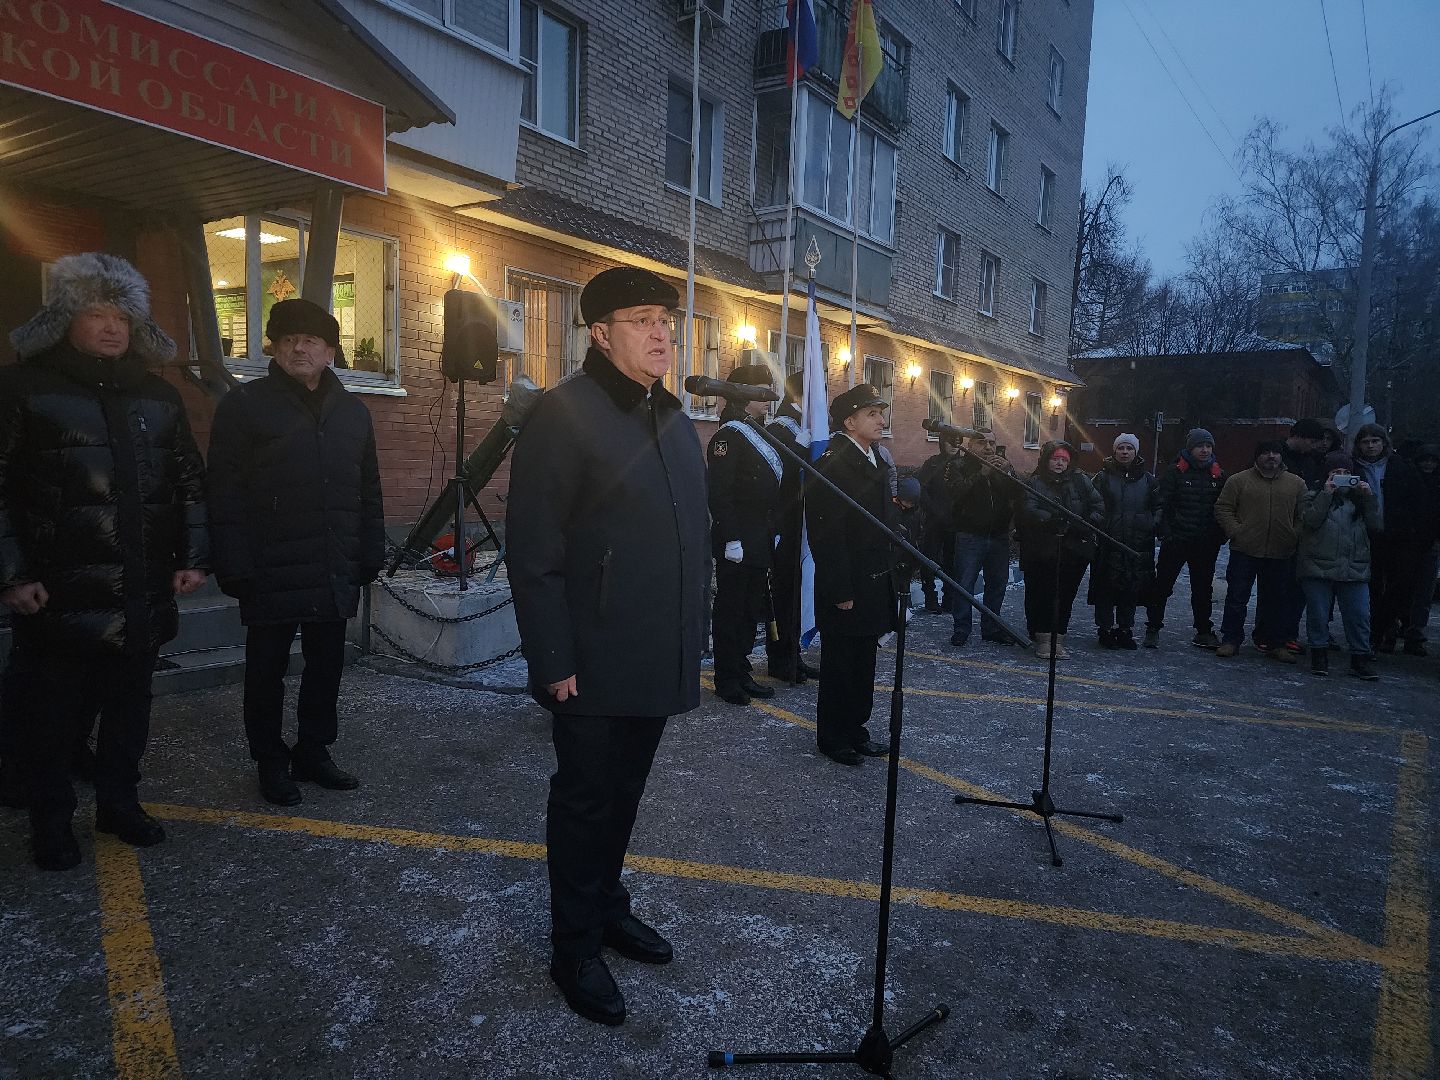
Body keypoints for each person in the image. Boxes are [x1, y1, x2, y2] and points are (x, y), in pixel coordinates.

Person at [504, 266, 708, 1027]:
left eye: (666, 320)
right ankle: (574, 944)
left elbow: (686, 538)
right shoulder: (565, 414)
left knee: (625, 796)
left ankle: (609, 904)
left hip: (655, 650)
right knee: (586, 802)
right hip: (590, 659)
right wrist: (551, 658)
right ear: (599, 332)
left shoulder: (671, 416)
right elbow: (535, 552)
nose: (661, 334)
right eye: (642, 320)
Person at [0, 253, 208, 870]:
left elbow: (187, 483)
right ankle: (51, 822)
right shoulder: (24, 388)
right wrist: (12, 575)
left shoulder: (158, 395)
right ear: (66, 317)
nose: (110, 326)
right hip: (57, 592)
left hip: (142, 589)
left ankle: (120, 805)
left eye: (121, 314)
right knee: (52, 717)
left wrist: (194, 557)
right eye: (96, 312)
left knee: (128, 712)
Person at [207, 298, 385, 807]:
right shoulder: (244, 406)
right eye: (288, 340)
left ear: (330, 351)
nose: (298, 348)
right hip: (271, 565)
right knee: (266, 671)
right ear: (274, 348)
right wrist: (233, 560)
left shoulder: (353, 412)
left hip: (332, 561)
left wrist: (369, 548)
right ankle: (270, 760)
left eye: (310, 340)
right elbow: (223, 489)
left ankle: (313, 750)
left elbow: (367, 488)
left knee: (326, 665)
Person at [806, 384, 897, 767]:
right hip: (848, 583)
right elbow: (827, 533)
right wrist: (840, 588)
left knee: (863, 663)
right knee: (841, 664)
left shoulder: (871, 455)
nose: (881, 419)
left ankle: (856, 729)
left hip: (872, 579)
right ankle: (833, 736)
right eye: (872, 414)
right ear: (849, 420)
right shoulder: (834, 461)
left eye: (881, 412)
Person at [706, 364, 781, 706]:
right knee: (732, 610)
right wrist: (731, 537)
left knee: (751, 608)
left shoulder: (758, 431)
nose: (767, 398)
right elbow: (720, 493)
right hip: (736, 540)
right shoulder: (728, 436)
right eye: (761, 391)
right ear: (743, 394)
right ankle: (726, 677)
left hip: (759, 535)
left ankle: (742, 668)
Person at [1213, 441, 1307, 660]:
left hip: (1281, 551)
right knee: (1237, 598)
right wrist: (1236, 531)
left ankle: (1277, 643)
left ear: (1281, 457)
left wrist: (1294, 534)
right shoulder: (1238, 480)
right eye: (1266, 452)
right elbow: (1223, 507)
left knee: (1278, 600)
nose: (1271, 456)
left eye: (1275, 453)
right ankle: (1231, 640)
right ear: (1257, 456)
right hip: (1245, 550)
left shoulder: (1296, 483)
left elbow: (1303, 514)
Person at [1016, 441, 1104, 660]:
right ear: (1047, 460)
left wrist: (1086, 522)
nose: (1059, 463)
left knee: (1065, 596)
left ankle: (1059, 637)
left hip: (1073, 550)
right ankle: (1043, 637)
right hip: (1043, 550)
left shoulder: (1081, 481)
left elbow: (1098, 506)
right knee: (1043, 594)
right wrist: (1050, 520)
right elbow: (1028, 509)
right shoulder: (1035, 482)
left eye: (1064, 459)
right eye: (1055, 458)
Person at [1296, 452, 1380, 679]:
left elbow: (1376, 526)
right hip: (1317, 565)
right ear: (1326, 475)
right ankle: (1319, 655)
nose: (1341, 478)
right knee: (1318, 614)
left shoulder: (1359, 499)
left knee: (1359, 615)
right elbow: (1311, 521)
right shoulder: (1313, 494)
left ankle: (1360, 657)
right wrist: (1326, 493)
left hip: (1354, 566)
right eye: (1336, 473)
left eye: (1346, 473)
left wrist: (1369, 497)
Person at [1353, 424, 1431, 653]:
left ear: (1383, 443)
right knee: (1372, 586)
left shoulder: (1401, 467)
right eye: (1365, 442)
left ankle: (1382, 627)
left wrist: (1418, 535)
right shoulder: (1352, 467)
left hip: (1400, 536)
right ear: (1359, 445)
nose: (1370, 446)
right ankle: (1373, 634)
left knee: (1402, 584)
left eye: (1374, 441)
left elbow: (1420, 502)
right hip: (1366, 535)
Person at [1147, 428, 1228, 648]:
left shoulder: (1219, 475)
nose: (1204, 450)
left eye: (1208, 446)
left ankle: (1203, 630)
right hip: (1177, 540)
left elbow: (1225, 508)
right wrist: (1166, 533)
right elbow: (1162, 504)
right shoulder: (1175, 472)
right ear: (1190, 448)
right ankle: (1153, 627)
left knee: (1202, 589)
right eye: (1200, 446)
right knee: (1162, 585)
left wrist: (1219, 535)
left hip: (1205, 543)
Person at [765, 371, 821, 684]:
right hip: (786, 522)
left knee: (799, 589)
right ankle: (780, 658)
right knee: (785, 591)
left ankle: (794, 655)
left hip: (802, 520)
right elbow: (782, 476)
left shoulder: (803, 426)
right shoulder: (781, 427)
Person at [943, 430, 1017, 648]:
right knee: (965, 584)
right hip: (970, 535)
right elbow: (955, 493)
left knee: (997, 584)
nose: (988, 447)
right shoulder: (958, 465)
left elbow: (1017, 495)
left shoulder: (1001, 466)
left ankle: (991, 628)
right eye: (981, 442)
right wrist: (981, 473)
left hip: (998, 536)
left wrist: (1008, 473)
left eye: (992, 443)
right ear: (970, 444)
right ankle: (961, 629)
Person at [1088, 434, 1158, 650]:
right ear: (1114, 451)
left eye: (1129, 448)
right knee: (1105, 588)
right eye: (1121, 448)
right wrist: (1101, 525)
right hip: (1108, 543)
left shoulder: (1148, 480)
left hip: (1137, 544)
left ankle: (1125, 629)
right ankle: (1105, 629)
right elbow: (1093, 504)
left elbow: (1159, 507)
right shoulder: (1102, 478)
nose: (1125, 452)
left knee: (1131, 589)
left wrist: (1148, 524)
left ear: (1136, 452)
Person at [915, 433, 960, 612]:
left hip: (955, 523)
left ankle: (949, 598)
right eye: (951, 441)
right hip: (934, 521)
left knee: (952, 563)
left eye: (959, 442)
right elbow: (922, 489)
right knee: (929, 560)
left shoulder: (962, 465)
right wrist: (934, 510)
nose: (955, 445)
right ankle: (930, 598)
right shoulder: (932, 463)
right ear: (942, 443)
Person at [1404, 444, 1440, 656]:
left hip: (1430, 542)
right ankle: (1400, 629)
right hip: (1408, 541)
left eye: (1432, 460)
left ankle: (1415, 632)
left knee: (1424, 592)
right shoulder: (1410, 480)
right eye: (1425, 460)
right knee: (1404, 588)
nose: (1429, 464)